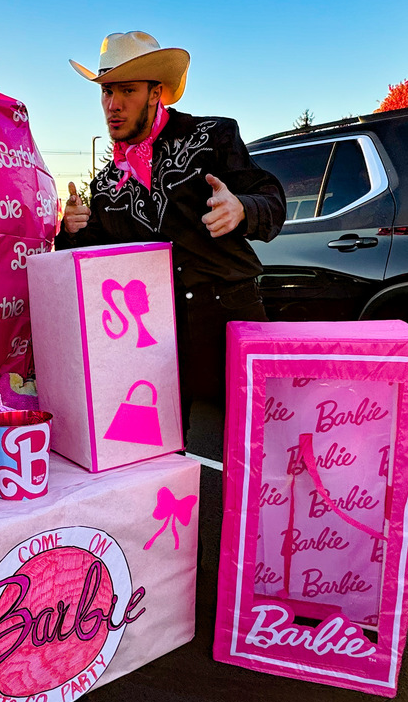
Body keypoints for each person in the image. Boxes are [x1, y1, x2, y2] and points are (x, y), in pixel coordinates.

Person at [58, 31, 286, 436]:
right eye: (107, 92)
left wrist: (241, 208)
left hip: (229, 316)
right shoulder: (106, 183)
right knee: (158, 449)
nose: (113, 105)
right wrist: (71, 230)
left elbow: (272, 200)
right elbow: (91, 259)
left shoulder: (213, 136)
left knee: (260, 441)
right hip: (155, 336)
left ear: (155, 92)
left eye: (126, 90)